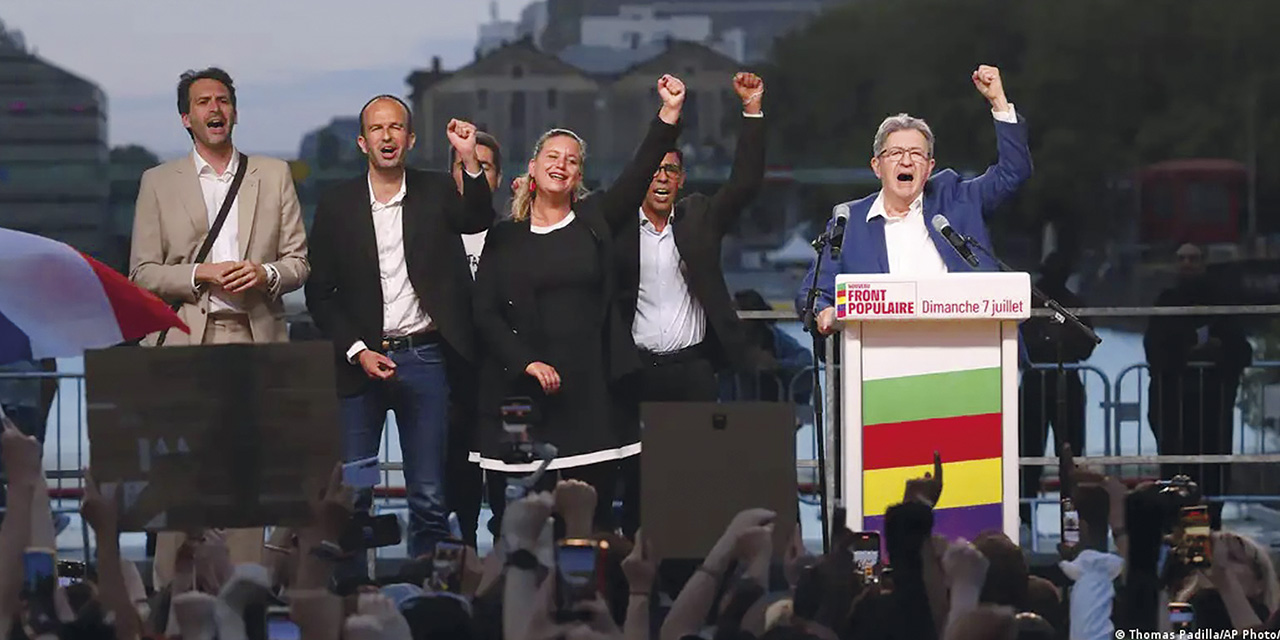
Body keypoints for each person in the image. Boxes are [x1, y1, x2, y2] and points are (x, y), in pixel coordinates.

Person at [472, 74, 687, 535]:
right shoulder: (504, 237)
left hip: (591, 401)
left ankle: (590, 606)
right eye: (552, 157)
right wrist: (525, 361)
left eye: (571, 161)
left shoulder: (595, 220)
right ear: (532, 168)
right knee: (520, 528)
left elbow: (637, 173)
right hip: (523, 400)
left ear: (578, 176)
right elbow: (485, 313)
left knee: (588, 527)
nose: (561, 165)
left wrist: (668, 114)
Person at [129, 67, 309, 588]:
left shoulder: (273, 175)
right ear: (186, 117)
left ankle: (244, 594)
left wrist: (266, 272)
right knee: (181, 482)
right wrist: (200, 273)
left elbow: (298, 261)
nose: (216, 108)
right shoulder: (158, 183)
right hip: (187, 342)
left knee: (249, 483)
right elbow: (141, 274)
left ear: (235, 109)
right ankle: (172, 596)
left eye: (224, 99)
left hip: (256, 338)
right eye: (204, 101)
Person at [304, 93, 493, 562]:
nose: (386, 137)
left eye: (395, 129)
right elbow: (319, 292)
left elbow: (478, 217)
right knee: (356, 492)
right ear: (362, 142)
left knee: (428, 493)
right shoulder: (337, 204)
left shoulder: (437, 191)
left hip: (425, 360)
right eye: (376, 129)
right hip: (359, 368)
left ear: (410, 139)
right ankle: (351, 599)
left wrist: (469, 159)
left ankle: (426, 597)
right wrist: (357, 351)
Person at [612, 71, 767, 537]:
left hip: (694, 369)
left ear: (682, 181)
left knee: (695, 475)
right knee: (637, 480)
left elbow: (744, 183)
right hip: (634, 371)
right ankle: (639, 570)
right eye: (654, 171)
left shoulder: (699, 216)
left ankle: (692, 568)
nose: (661, 178)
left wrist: (752, 110)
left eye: (671, 171)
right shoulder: (616, 225)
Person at [794, 65, 1033, 332]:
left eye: (916, 154)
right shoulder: (849, 222)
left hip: (969, 351)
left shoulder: (957, 199)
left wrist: (998, 101)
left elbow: (1014, 171)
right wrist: (824, 313)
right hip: (881, 363)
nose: (906, 161)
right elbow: (813, 294)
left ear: (930, 167)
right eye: (895, 153)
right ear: (876, 166)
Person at [1144, 242, 1251, 530]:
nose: (1187, 264)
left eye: (1194, 258)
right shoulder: (1166, 302)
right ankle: (1176, 536)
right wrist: (1192, 347)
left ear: (1203, 263)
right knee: (1177, 476)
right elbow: (1156, 349)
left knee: (1212, 478)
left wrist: (1210, 350)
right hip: (1173, 410)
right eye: (1182, 259)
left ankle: (1210, 532)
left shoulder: (1221, 302)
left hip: (1212, 411)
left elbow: (1240, 349)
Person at [448, 130, 503, 547]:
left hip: (503, 375)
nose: (472, 172)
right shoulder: (436, 236)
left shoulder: (513, 235)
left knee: (505, 484)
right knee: (457, 483)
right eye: (465, 164)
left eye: (483, 166)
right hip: (452, 376)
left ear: (497, 179)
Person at [1019, 252, 1095, 523]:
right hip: (1035, 386)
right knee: (1028, 458)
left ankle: (1071, 522)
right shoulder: (1028, 303)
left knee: (1070, 458)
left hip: (1066, 385)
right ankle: (1025, 520)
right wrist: (1047, 340)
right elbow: (1020, 344)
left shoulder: (1073, 303)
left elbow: (1087, 346)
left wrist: (1061, 339)